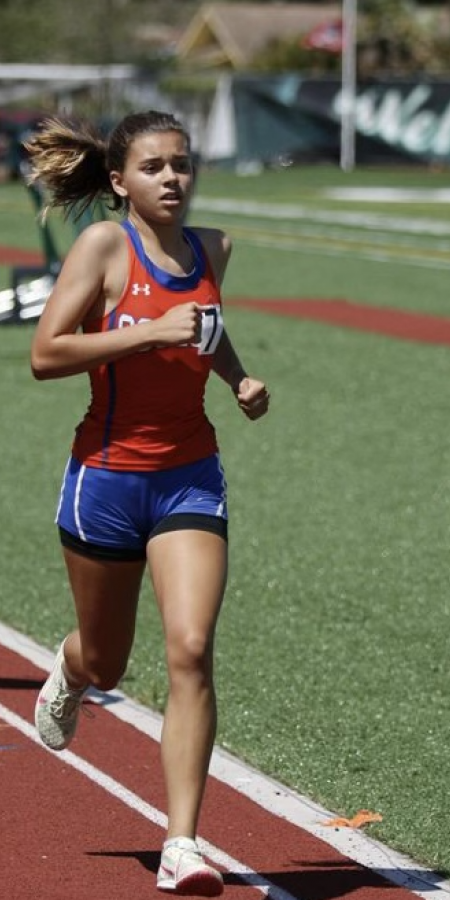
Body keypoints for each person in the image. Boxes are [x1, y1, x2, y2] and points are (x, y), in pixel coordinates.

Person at [25, 110, 270, 896]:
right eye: (156, 166)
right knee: (106, 658)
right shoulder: (103, 247)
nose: (173, 178)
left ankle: (182, 844)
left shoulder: (214, 248)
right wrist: (147, 331)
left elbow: (204, 327)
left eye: (183, 164)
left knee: (191, 648)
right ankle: (69, 663)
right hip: (106, 476)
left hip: (189, 473)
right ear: (121, 181)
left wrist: (236, 377)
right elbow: (45, 355)